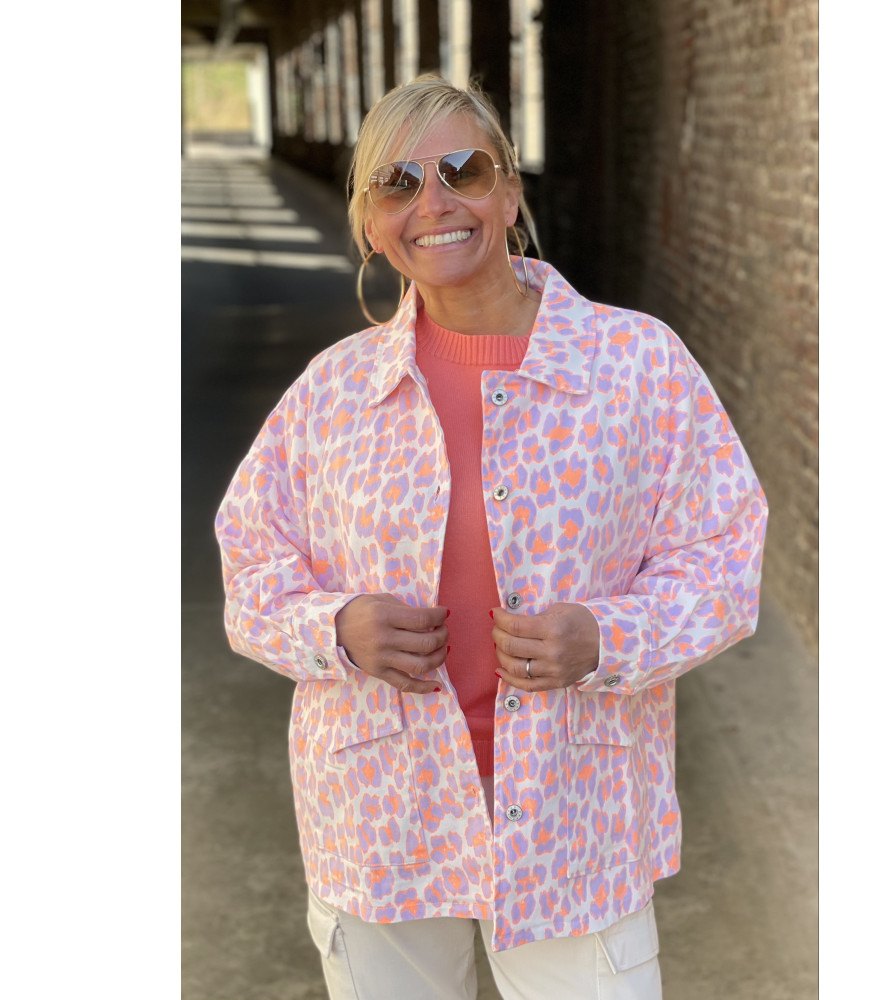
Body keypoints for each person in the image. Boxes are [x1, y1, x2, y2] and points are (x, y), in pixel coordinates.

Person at [216, 74, 767, 1000]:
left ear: (509, 192)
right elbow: (250, 569)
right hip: (382, 818)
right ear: (370, 224)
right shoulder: (332, 393)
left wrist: (608, 638)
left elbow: (724, 555)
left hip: (575, 820)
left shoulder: (638, 365)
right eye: (397, 183)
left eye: (463, 171)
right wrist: (336, 626)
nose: (434, 202)